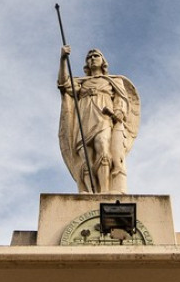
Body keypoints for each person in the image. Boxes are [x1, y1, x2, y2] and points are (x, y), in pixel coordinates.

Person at [57, 46, 140, 194]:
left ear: (103, 61)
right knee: (85, 157)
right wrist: (63, 59)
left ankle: (104, 190)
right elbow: (63, 84)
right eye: (89, 57)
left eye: (96, 56)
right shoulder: (81, 83)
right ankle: (89, 191)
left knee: (103, 146)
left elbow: (121, 99)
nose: (92, 59)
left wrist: (119, 113)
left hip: (103, 116)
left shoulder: (113, 81)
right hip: (83, 118)